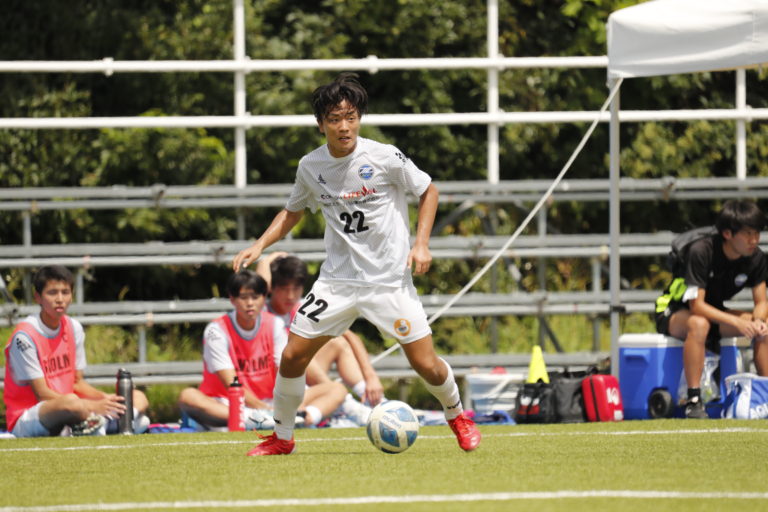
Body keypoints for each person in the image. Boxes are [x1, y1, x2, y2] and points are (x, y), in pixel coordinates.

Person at [233, 72, 481, 455]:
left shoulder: (384, 156)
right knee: (293, 355)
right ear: (321, 124)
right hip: (337, 283)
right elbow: (293, 211)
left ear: (359, 119)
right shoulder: (311, 166)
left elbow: (428, 190)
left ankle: (458, 417)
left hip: (389, 282)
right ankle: (282, 438)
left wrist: (421, 244)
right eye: (334, 119)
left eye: (351, 117)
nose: (344, 126)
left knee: (426, 364)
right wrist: (259, 244)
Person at [177, 270, 347, 430]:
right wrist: (263, 410)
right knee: (188, 396)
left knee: (336, 389)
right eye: (243, 297)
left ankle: (304, 419)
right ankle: (261, 420)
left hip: (271, 403)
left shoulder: (274, 324)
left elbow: (284, 370)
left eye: (255, 297)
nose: (250, 303)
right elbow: (232, 384)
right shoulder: (217, 330)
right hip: (230, 403)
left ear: (264, 298)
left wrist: (289, 403)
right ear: (232, 299)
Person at [3, 265, 150, 437]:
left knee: (137, 397)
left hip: (73, 406)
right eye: (52, 293)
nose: (60, 299)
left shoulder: (74, 328)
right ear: (38, 297)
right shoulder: (24, 337)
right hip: (30, 415)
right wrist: (91, 405)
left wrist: (105, 399)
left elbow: (76, 383)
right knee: (71, 402)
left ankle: (108, 423)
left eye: (65, 292)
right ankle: (105, 424)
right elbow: (42, 394)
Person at [655, 199, 768, 418]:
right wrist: (737, 322)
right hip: (674, 310)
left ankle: (765, 394)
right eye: (748, 234)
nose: (754, 240)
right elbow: (696, 305)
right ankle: (693, 400)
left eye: (757, 233)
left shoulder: (756, 258)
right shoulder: (701, 251)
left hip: (714, 312)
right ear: (727, 234)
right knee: (699, 324)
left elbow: (762, 302)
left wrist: (758, 321)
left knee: (764, 328)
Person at [257, 252, 385, 414]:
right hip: (276, 380)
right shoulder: (261, 311)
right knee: (295, 349)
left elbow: (350, 336)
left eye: (296, 289)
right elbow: (259, 285)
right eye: (284, 289)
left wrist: (371, 377)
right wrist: (267, 259)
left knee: (338, 342)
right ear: (272, 289)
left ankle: (376, 400)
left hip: (308, 379)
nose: (290, 296)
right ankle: (346, 404)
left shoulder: (305, 308)